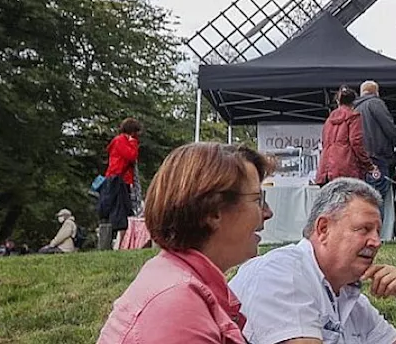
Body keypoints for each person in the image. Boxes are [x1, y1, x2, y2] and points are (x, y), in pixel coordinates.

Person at [98, 142, 275, 343]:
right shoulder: (177, 306)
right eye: (258, 200)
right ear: (213, 212)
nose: (268, 213)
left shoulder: (175, 280)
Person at [230, 177, 396, 344]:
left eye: (378, 232)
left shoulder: (348, 298)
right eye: (363, 229)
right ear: (323, 229)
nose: (376, 242)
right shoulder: (281, 274)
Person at [356, 81, 396, 241]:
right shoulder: (375, 104)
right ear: (376, 92)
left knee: (363, 198)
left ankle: (362, 235)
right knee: (376, 198)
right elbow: (388, 126)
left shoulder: (356, 108)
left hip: (362, 159)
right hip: (377, 157)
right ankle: (374, 237)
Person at [316, 86, 373, 184]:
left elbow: (324, 143)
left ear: (338, 102)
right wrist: (368, 165)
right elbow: (356, 142)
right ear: (353, 102)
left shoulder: (329, 120)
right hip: (347, 168)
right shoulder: (354, 117)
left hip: (326, 168)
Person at [100, 117, 142, 248]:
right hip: (119, 180)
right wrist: (133, 143)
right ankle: (119, 244)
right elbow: (131, 156)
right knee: (121, 212)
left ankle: (120, 242)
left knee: (123, 211)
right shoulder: (121, 141)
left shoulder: (120, 141)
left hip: (121, 179)